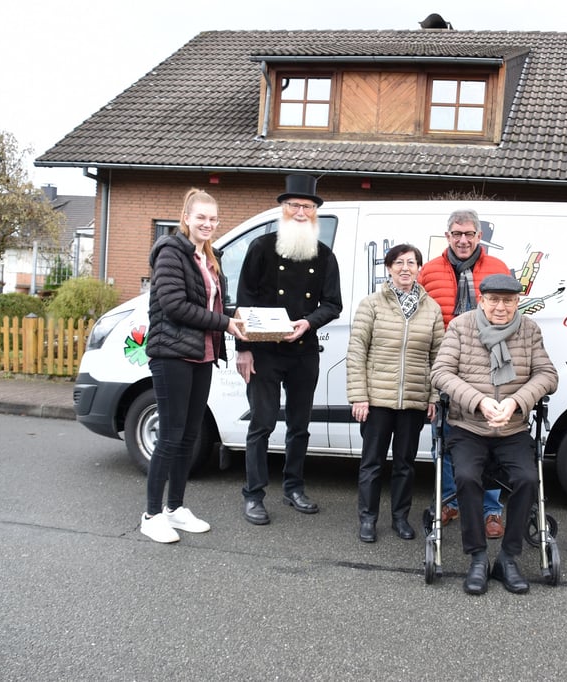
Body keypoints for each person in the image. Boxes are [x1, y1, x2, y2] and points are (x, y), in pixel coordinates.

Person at [431, 273, 559, 595]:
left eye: (508, 300)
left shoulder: (529, 330)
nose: (501, 307)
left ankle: (508, 558)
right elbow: (440, 373)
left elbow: (548, 374)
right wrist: (480, 401)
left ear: (518, 302)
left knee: (528, 479)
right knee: (467, 477)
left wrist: (517, 401)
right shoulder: (460, 327)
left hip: (513, 428)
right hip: (469, 426)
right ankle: (477, 558)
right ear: (482, 301)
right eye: (494, 300)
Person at [235, 174, 342, 525]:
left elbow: (333, 304)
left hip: (304, 350)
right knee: (262, 423)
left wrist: (308, 322)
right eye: (294, 205)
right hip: (264, 351)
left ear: (315, 213)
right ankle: (254, 494)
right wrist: (243, 349)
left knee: (299, 425)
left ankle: (294, 487)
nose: (301, 212)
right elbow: (244, 302)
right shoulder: (261, 248)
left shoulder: (324, 256)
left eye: (307, 207)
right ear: (283, 209)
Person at [140, 188, 245, 543]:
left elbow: (211, 306)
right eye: (201, 217)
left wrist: (235, 315)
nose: (207, 224)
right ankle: (151, 513)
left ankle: (176, 508)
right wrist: (225, 323)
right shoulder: (171, 251)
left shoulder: (208, 258)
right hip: (171, 355)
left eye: (213, 219)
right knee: (169, 437)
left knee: (188, 436)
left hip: (201, 355)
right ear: (185, 218)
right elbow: (174, 305)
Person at [418, 209, 510, 539]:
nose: (463, 240)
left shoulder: (498, 269)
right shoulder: (428, 272)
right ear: (447, 236)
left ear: (479, 235)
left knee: (489, 442)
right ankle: (450, 501)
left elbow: (510, 317)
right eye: (457, 233)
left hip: (489, 371)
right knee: (444, 440)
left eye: (469, 233)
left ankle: (491, 510)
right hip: (446, 370)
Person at [347, 244, 445, 543]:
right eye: (399, 262)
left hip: (414, 400)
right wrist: (359, 396)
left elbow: (438, 355)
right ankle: (368, 519)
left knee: (405, 464)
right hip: (376, 400)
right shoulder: (372, 304)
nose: (405, 268)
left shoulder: (431, 308)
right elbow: (356, 351)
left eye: (411, 263)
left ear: (419, 268)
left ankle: (400, 518)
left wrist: (433, 397)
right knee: (372, 462)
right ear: (388, 268)